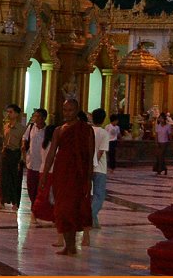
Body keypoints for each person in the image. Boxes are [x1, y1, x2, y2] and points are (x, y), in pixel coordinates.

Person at [40, 99, 94, 256]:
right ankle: (68, 246)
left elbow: (90, 156)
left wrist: (89, 179)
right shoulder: (59, 130)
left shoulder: (86, 130)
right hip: (62, 173)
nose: (67, 113)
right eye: (65, 110)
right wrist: (45, 175)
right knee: (62, 210)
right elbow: (51, 153)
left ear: (77, 111)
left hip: (78, 175)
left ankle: (72, 246)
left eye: (70, 110)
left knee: (73, 209)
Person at [83, 107, 111, 246]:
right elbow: (100, 152)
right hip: (99, 168)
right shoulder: (104, 133)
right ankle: (89, 217)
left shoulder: (88, 131)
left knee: (90, 194)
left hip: (88, 167)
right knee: (99, 195)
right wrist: (94, 164)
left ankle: (93, 219)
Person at [0, 103, 26, 211]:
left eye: (11, 112)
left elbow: (23, 144)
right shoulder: (5, 126)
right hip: (6, 153)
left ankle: (15, 202)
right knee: (4, 178)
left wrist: (22, 158)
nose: (9, 114)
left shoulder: (22, 129)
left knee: (15, 179)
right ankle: (2, 201)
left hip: (16, 154)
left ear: (17, 114)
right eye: (8, 112)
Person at [21, 108, 48, 219]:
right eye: (35, 116)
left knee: (40, 189)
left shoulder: (47, 131)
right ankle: (34, 207)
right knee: (31, 187)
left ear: (44, 118)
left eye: (38, 116)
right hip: (31, 162)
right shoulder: (31, 127)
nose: (36, 119)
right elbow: (25, 137)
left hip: (42, 164)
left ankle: (36, 210)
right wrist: (23, 145)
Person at [154, 112, 171, 176]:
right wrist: (156, 142)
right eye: (160, 118)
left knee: (161, 156)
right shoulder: (157, 126)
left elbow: (169, 135)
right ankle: (164, 168)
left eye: (162, 118)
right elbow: (156, 135)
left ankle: (160, 169)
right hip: (159, 142)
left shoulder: (168, 126)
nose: (160, 120)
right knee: (159, 156)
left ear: (164, 119)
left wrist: (171, 142)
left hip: (164, 143)